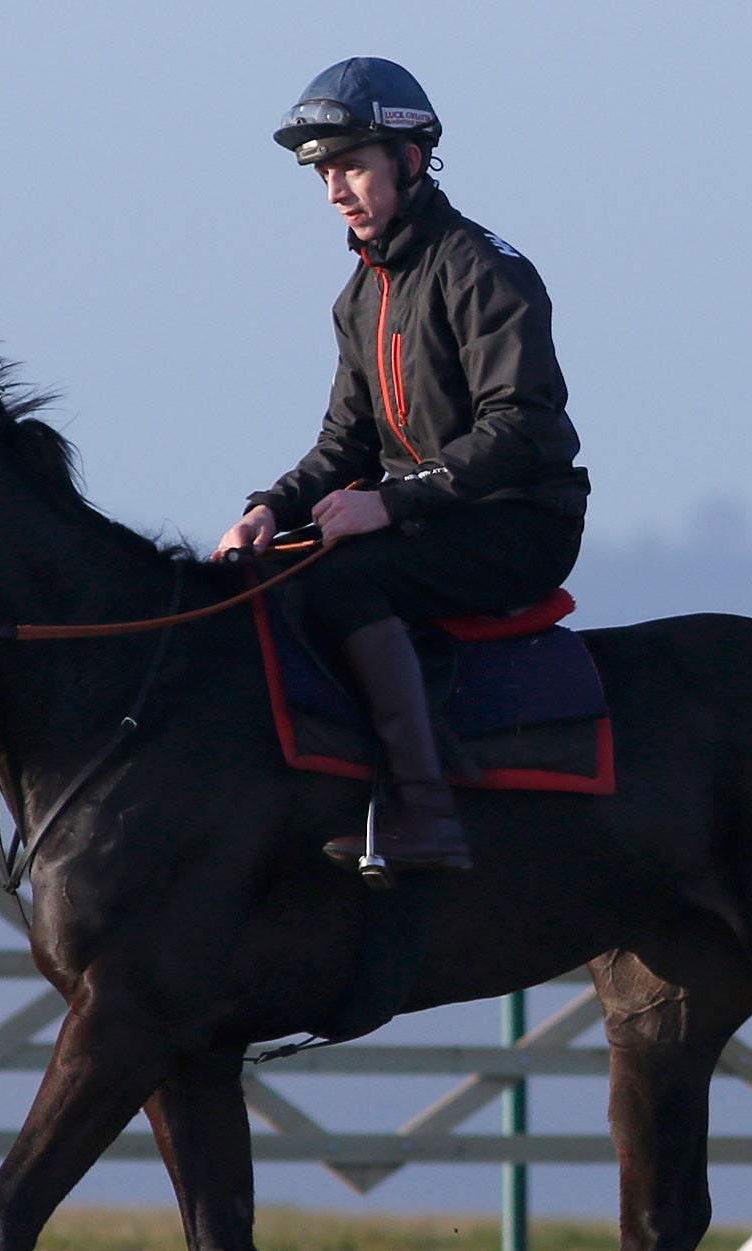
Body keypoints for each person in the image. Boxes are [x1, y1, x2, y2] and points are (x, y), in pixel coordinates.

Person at [220, 56, 590, 875]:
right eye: (323, 173)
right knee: (267, 580)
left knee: (343, 581)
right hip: (430, 519)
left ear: (411, 160)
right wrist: (266, 511)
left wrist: (390, 505)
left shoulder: (483, 268)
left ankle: (426, 813)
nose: (334, 192)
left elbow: (523, 429)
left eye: (351, 166)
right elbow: (343, 445)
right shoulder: (360, 295)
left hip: (519, 522)